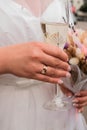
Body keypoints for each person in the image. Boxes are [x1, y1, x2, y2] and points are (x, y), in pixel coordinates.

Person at [0, 0, 86, 130]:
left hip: (60, 110)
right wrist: (5, 59)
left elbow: (67, 46)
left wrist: (76, 83)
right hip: (11, 108)